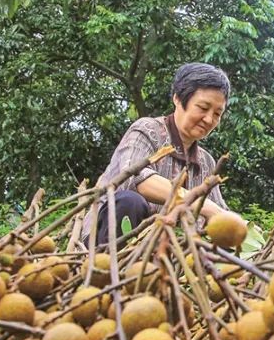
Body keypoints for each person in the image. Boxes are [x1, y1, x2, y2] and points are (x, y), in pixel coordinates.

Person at [88, 62, 231, 245]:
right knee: (129, 201)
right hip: (110, 241)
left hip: (164, 255)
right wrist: (203, 205)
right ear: (178, 99)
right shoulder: (146, 130)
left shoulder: (206, 162)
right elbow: (138, 179)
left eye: (218, 114)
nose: (209, 119)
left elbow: (220, 212)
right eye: (203, 108)